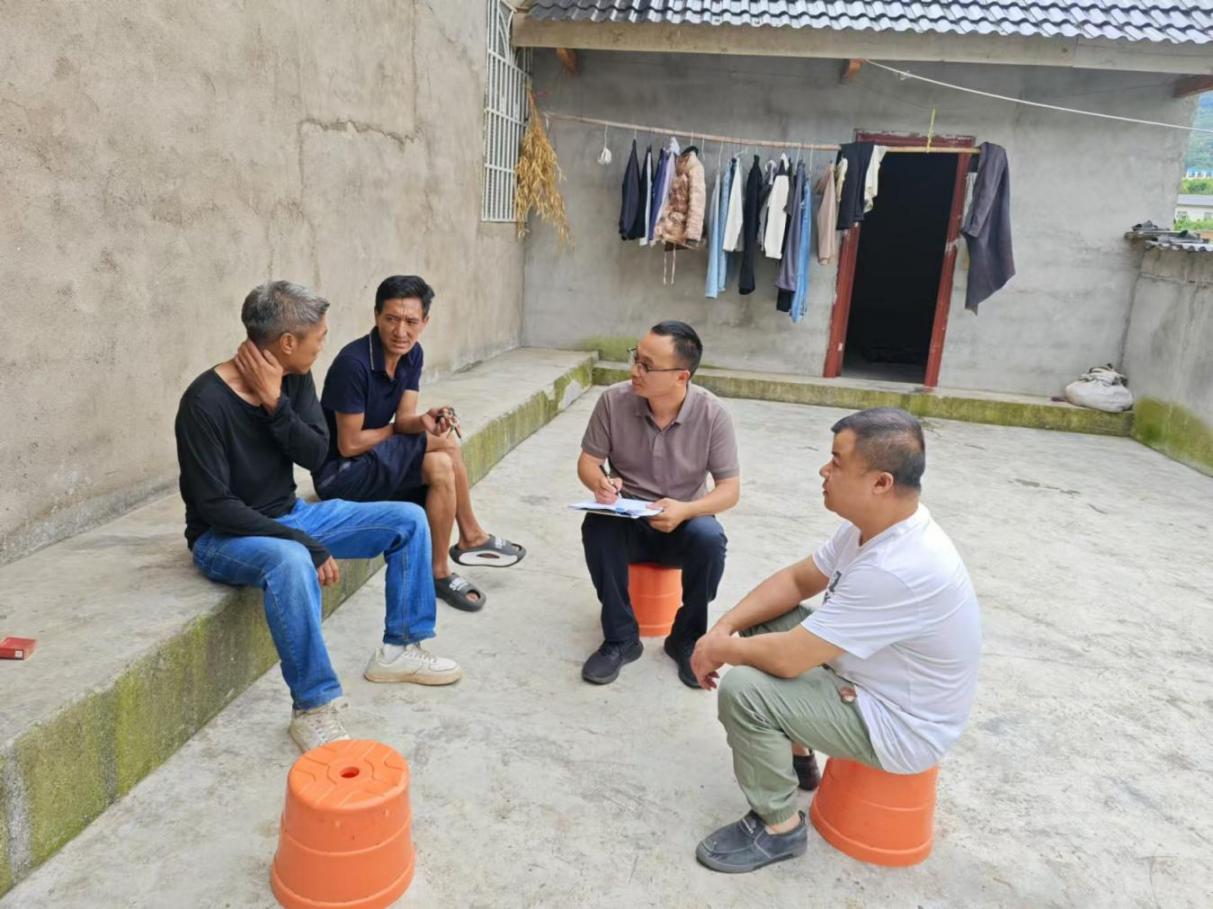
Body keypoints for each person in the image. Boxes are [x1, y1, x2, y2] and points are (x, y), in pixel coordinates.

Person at [175, 281, 461, 754]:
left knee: (408, 520)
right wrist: (302, 542)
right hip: (224, 537)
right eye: (319, 337)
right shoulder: (204, 402)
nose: (323, 345)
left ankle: (400, 648)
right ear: (288, 341)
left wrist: (275, 405)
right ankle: (312, 706)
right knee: (290, 562)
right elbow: (214, 506)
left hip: (290, 516)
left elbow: (315, 453)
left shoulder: (294, 378)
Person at [691, 408, 981, 873]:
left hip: (900, 723)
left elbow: (788, 660)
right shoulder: (877, 526)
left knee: (744, 691)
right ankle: (797, 755)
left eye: (837, 462)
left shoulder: (900, 567)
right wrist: (722, 628)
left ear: (881, 482)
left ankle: (779, 828)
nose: (823, 471)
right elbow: (796, 580)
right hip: (870, 677)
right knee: (768, 618)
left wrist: (716, 650)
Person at [313, 275, 524, 613]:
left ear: (425, 321)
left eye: (411, 321)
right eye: (391, 319)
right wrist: (403, 430)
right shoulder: (353, 364)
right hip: (341, 475)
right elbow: (349, 444)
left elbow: (405, 418)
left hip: (374, 459)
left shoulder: (412, 354)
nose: (401, 331)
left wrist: (425, 419)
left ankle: (438, 571)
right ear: (376, 315)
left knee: (440, 463)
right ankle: (471, 535)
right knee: (446, 445)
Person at [577, 321, 740, 688]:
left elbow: (729, 490)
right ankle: (621, 638)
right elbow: (588, 463)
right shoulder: (613, 401)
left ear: (682, 376)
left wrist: (685, 509)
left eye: (647, 366)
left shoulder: (712, 414)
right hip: (629, 519)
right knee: (598, 523)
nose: (635, 371)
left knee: (709, 538)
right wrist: (600, 483)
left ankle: (685, 638)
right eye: (636, 358)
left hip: (683, 521)